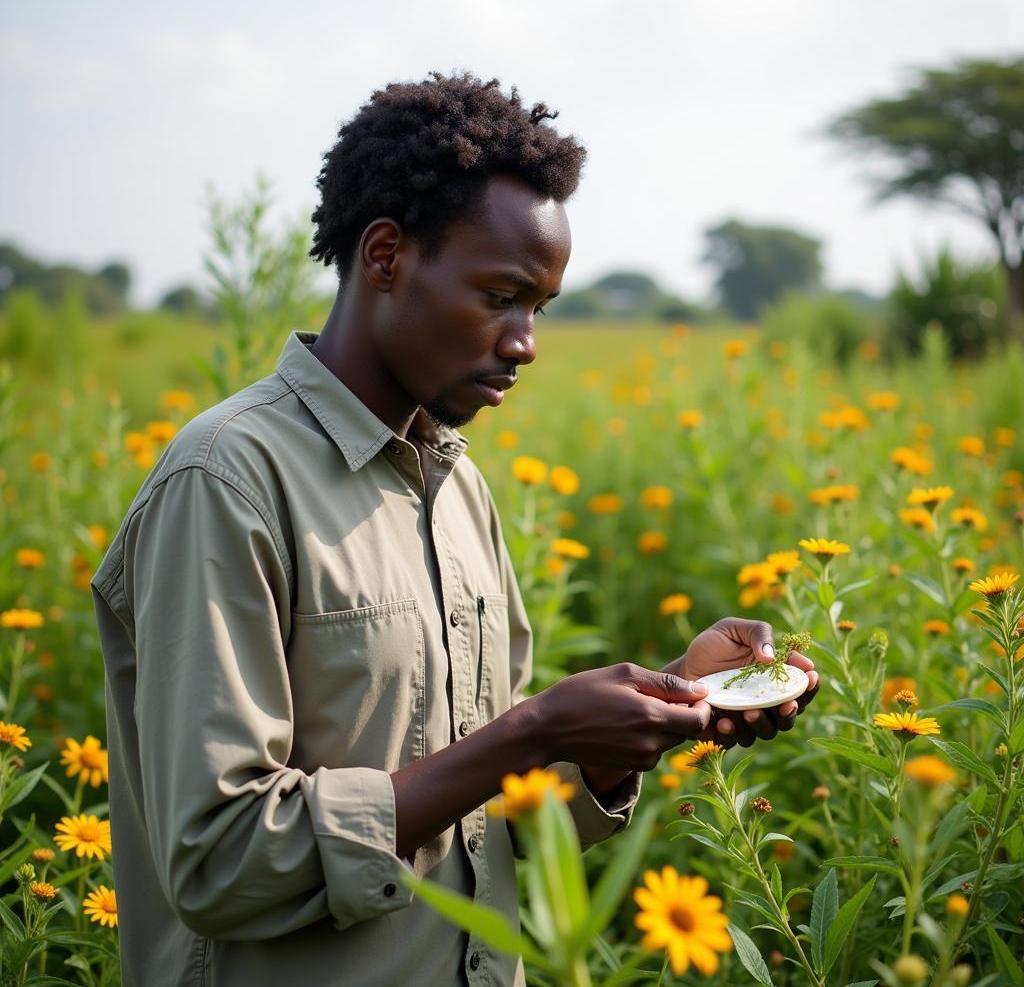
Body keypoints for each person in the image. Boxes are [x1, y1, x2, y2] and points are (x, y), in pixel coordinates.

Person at [91, 71, 818, 987]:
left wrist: (653, 710)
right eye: (500, 296)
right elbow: (220, 860)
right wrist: (531, 731)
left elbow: (479, 819)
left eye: (540, 308)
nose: (525, 342)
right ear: (386, 255)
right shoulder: (227, 482)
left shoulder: (456, 483)